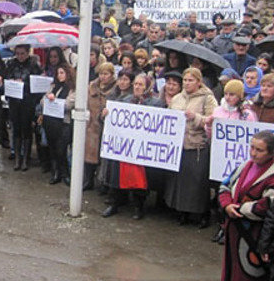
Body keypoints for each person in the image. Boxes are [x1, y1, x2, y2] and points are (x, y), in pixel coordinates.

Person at [102, 74, 163, 219]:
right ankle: (115, 204)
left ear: (147, 86)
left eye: (141, 84)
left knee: (139, 178)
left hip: (141, 149)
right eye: (135, 84)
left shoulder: (156, 103)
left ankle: (139, 206)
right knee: (118, 175)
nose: (137, 87)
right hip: (124, 148)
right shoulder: (125, 100)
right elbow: (112, 120)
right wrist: (104, 115)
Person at [167, 68, 218, 227]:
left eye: (190, 80)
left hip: (197, 145)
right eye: (185, 80)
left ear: (198, 81)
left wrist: (195, 117)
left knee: (197, 183)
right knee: (181, 181)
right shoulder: (176, 98)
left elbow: (213, 121)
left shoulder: (207, 98)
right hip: (179, 145)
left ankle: (203, 214)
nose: (187, 83)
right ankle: (183, 212)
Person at [220, 131, 274, 280]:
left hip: (255, 237)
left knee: (249, 273)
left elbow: (267, 206)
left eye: (259, 150)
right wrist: (227, 205)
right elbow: (225, 186)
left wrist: (238, 209)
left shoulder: (271, 175)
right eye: (252, 148)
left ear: (271, 153)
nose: (253, 153)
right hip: (233, 233)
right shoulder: (246, 166)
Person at [5, 45, 42, 171]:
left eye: (22, 53)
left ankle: (26, 158)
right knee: (16, 129)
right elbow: (7, 78)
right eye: (18, 53)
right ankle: (17, 158)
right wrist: (12, 82)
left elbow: (37, 84)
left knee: (26, 130)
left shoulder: (33, 65)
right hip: (14, 101)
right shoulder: (11, 64)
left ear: (27, 53)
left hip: (28, 101)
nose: (20, 56)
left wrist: (24, 84)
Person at [38, 63, 75, 184]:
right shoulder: (53, 85)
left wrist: (55, 101)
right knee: (52, 148)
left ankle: (65, 173)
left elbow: (69, 104)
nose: (59, 76)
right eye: (58, 73)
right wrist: (48, 98)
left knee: (62, 148)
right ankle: (56, 172)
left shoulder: (72, 88)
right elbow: (43, 100)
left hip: (63, 122)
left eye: (62, 73)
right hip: (50, 121)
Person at [84, 62, 117, 190]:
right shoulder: (92, 86)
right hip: (92, 126)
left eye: (106, 74)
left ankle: (104, 183)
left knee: (105, 157)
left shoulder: (116, 88)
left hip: (107, 128)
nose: (103, 77)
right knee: (89, 155)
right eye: (101, 74)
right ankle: (88, 180)